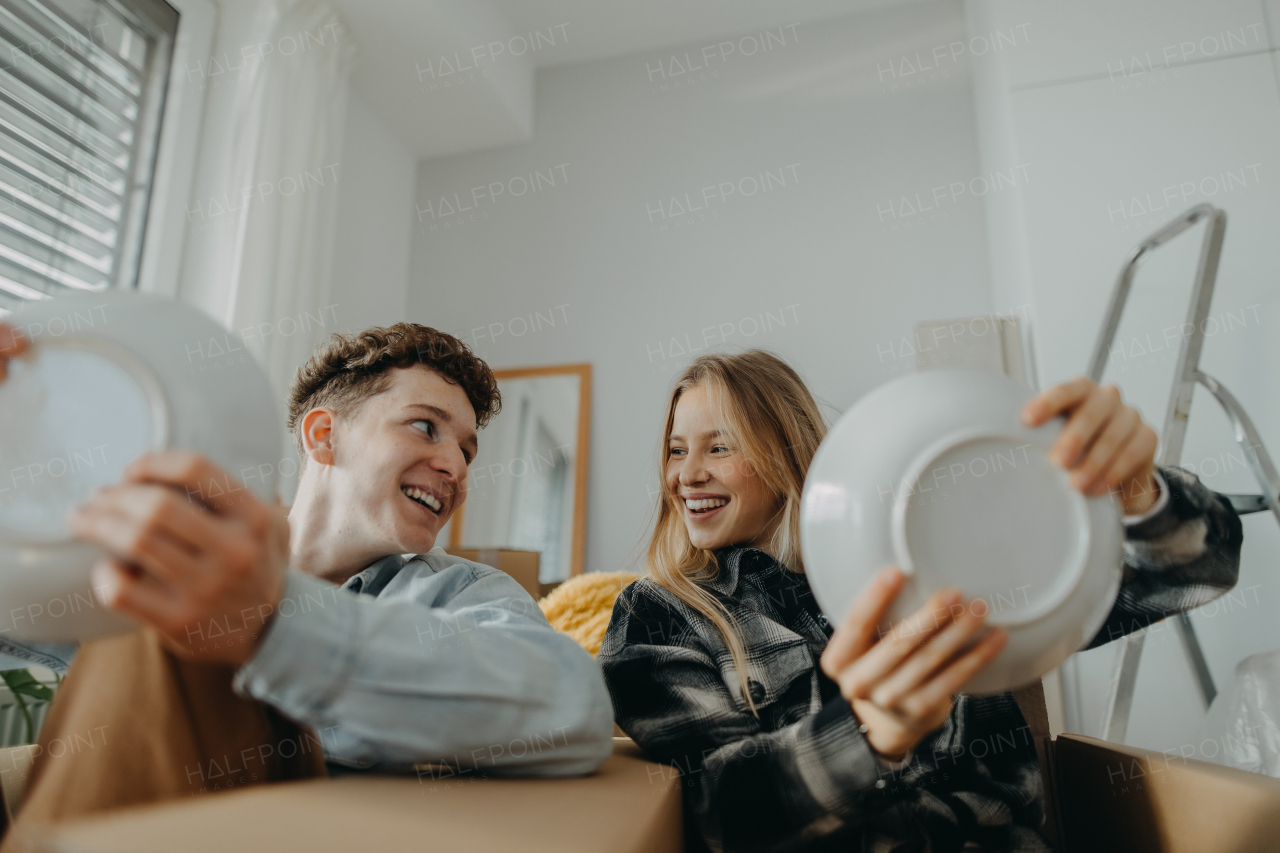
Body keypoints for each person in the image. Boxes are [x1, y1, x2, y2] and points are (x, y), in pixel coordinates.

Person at [599, 350, 1242, 852]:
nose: (687, 474)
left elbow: (1194, 575)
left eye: (719, 446)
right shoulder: (659, 615)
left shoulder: (931, 559)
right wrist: (865, 736)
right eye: (675, 450)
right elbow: (715, 818)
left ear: (786, 451)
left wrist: (1139, 496)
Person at [0, 320, 613, 837]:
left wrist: (270, 621)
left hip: (300, 831)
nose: (454, 464)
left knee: (178, 607)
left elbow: (573, 709)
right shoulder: (190, 548)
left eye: (468, 451)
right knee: (161, 589)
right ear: (324, 436)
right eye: (425, 426)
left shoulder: (464, 592)